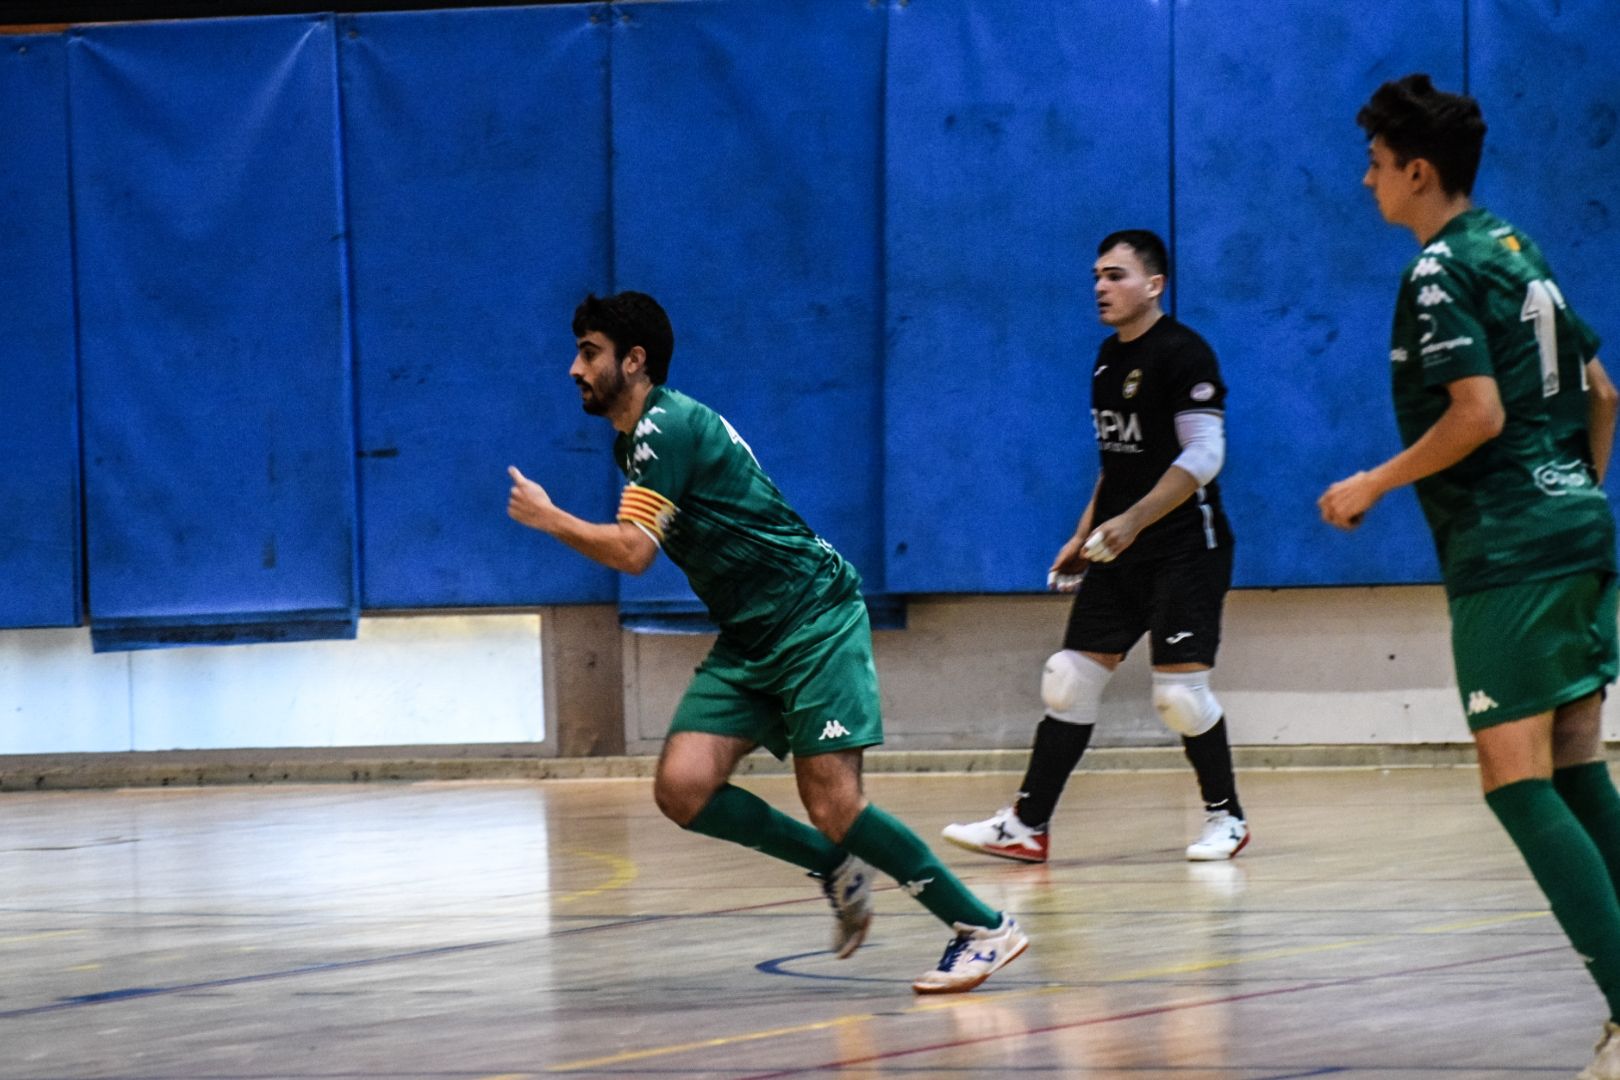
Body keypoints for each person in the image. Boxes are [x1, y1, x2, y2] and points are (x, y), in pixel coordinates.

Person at [507, 291, 1028, 994]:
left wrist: (548, 518)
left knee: (836, 803)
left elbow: (633, 553)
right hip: (752, 634)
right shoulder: (634, 439)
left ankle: (981, 927)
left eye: (589, 352)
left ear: (634, 361)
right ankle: (833, 864)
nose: (574, 367)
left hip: (810, 615)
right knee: (684, 788)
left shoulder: (665, 427)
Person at [1318, 74, 1620, 1080]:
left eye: (1374, 166)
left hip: (1510, 552)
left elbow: (1479, 414)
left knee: (1513, 780)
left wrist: (1372, 482)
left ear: (1417, 170)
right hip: (1575, 527)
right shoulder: (1519, 247)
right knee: (1576, 768)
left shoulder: (1440, 268)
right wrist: (1572, 495)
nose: (1366, 184)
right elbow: (1603, 393)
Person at [944, 229, 1249, 865]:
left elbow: (1204, 455)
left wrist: (1133, 522)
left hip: (1187, 547)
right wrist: (1085, 535)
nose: (1101, 288)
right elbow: (1115, 460)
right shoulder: (1108, 358)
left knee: (1178, 698)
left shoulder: (1185, 354)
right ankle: (1027, 825)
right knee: (1067, 681)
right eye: (1096, 277)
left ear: (1154, 285)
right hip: (1120, 546)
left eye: (1116, 276)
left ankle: (1227, 818)